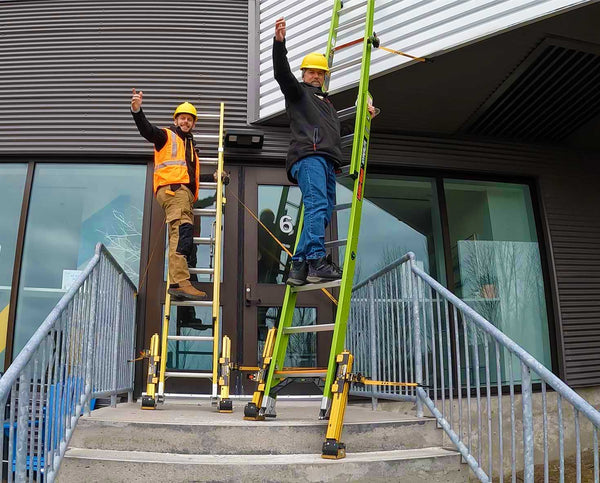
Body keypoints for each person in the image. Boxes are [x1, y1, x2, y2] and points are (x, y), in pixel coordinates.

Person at [273, 18, 375, 286]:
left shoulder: (327, 105)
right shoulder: (298, 94)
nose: (316, 76)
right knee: (317, 206)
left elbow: (335, 133)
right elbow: (282, 75)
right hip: (309, 157)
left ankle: (298, 267)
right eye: (311, 72)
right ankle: (318, 260)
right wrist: (279, 44)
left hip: (326, 162)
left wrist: (366, 116)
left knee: (322, 210)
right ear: (304, 74)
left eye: (320, 73)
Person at [131, 88, 211, 301]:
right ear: (176, 120)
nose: (185, 122)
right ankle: (179, 283)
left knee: (184, 235)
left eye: (189, 119)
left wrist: (217, 177)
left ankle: (178, 284)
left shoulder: (190, 147)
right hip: (173, 190)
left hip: (182, 193)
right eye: (182, 118)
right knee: (181, 232)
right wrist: (137, 111)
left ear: (193, 123)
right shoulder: (167, 136)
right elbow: (148, 131)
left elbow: (192, 175)